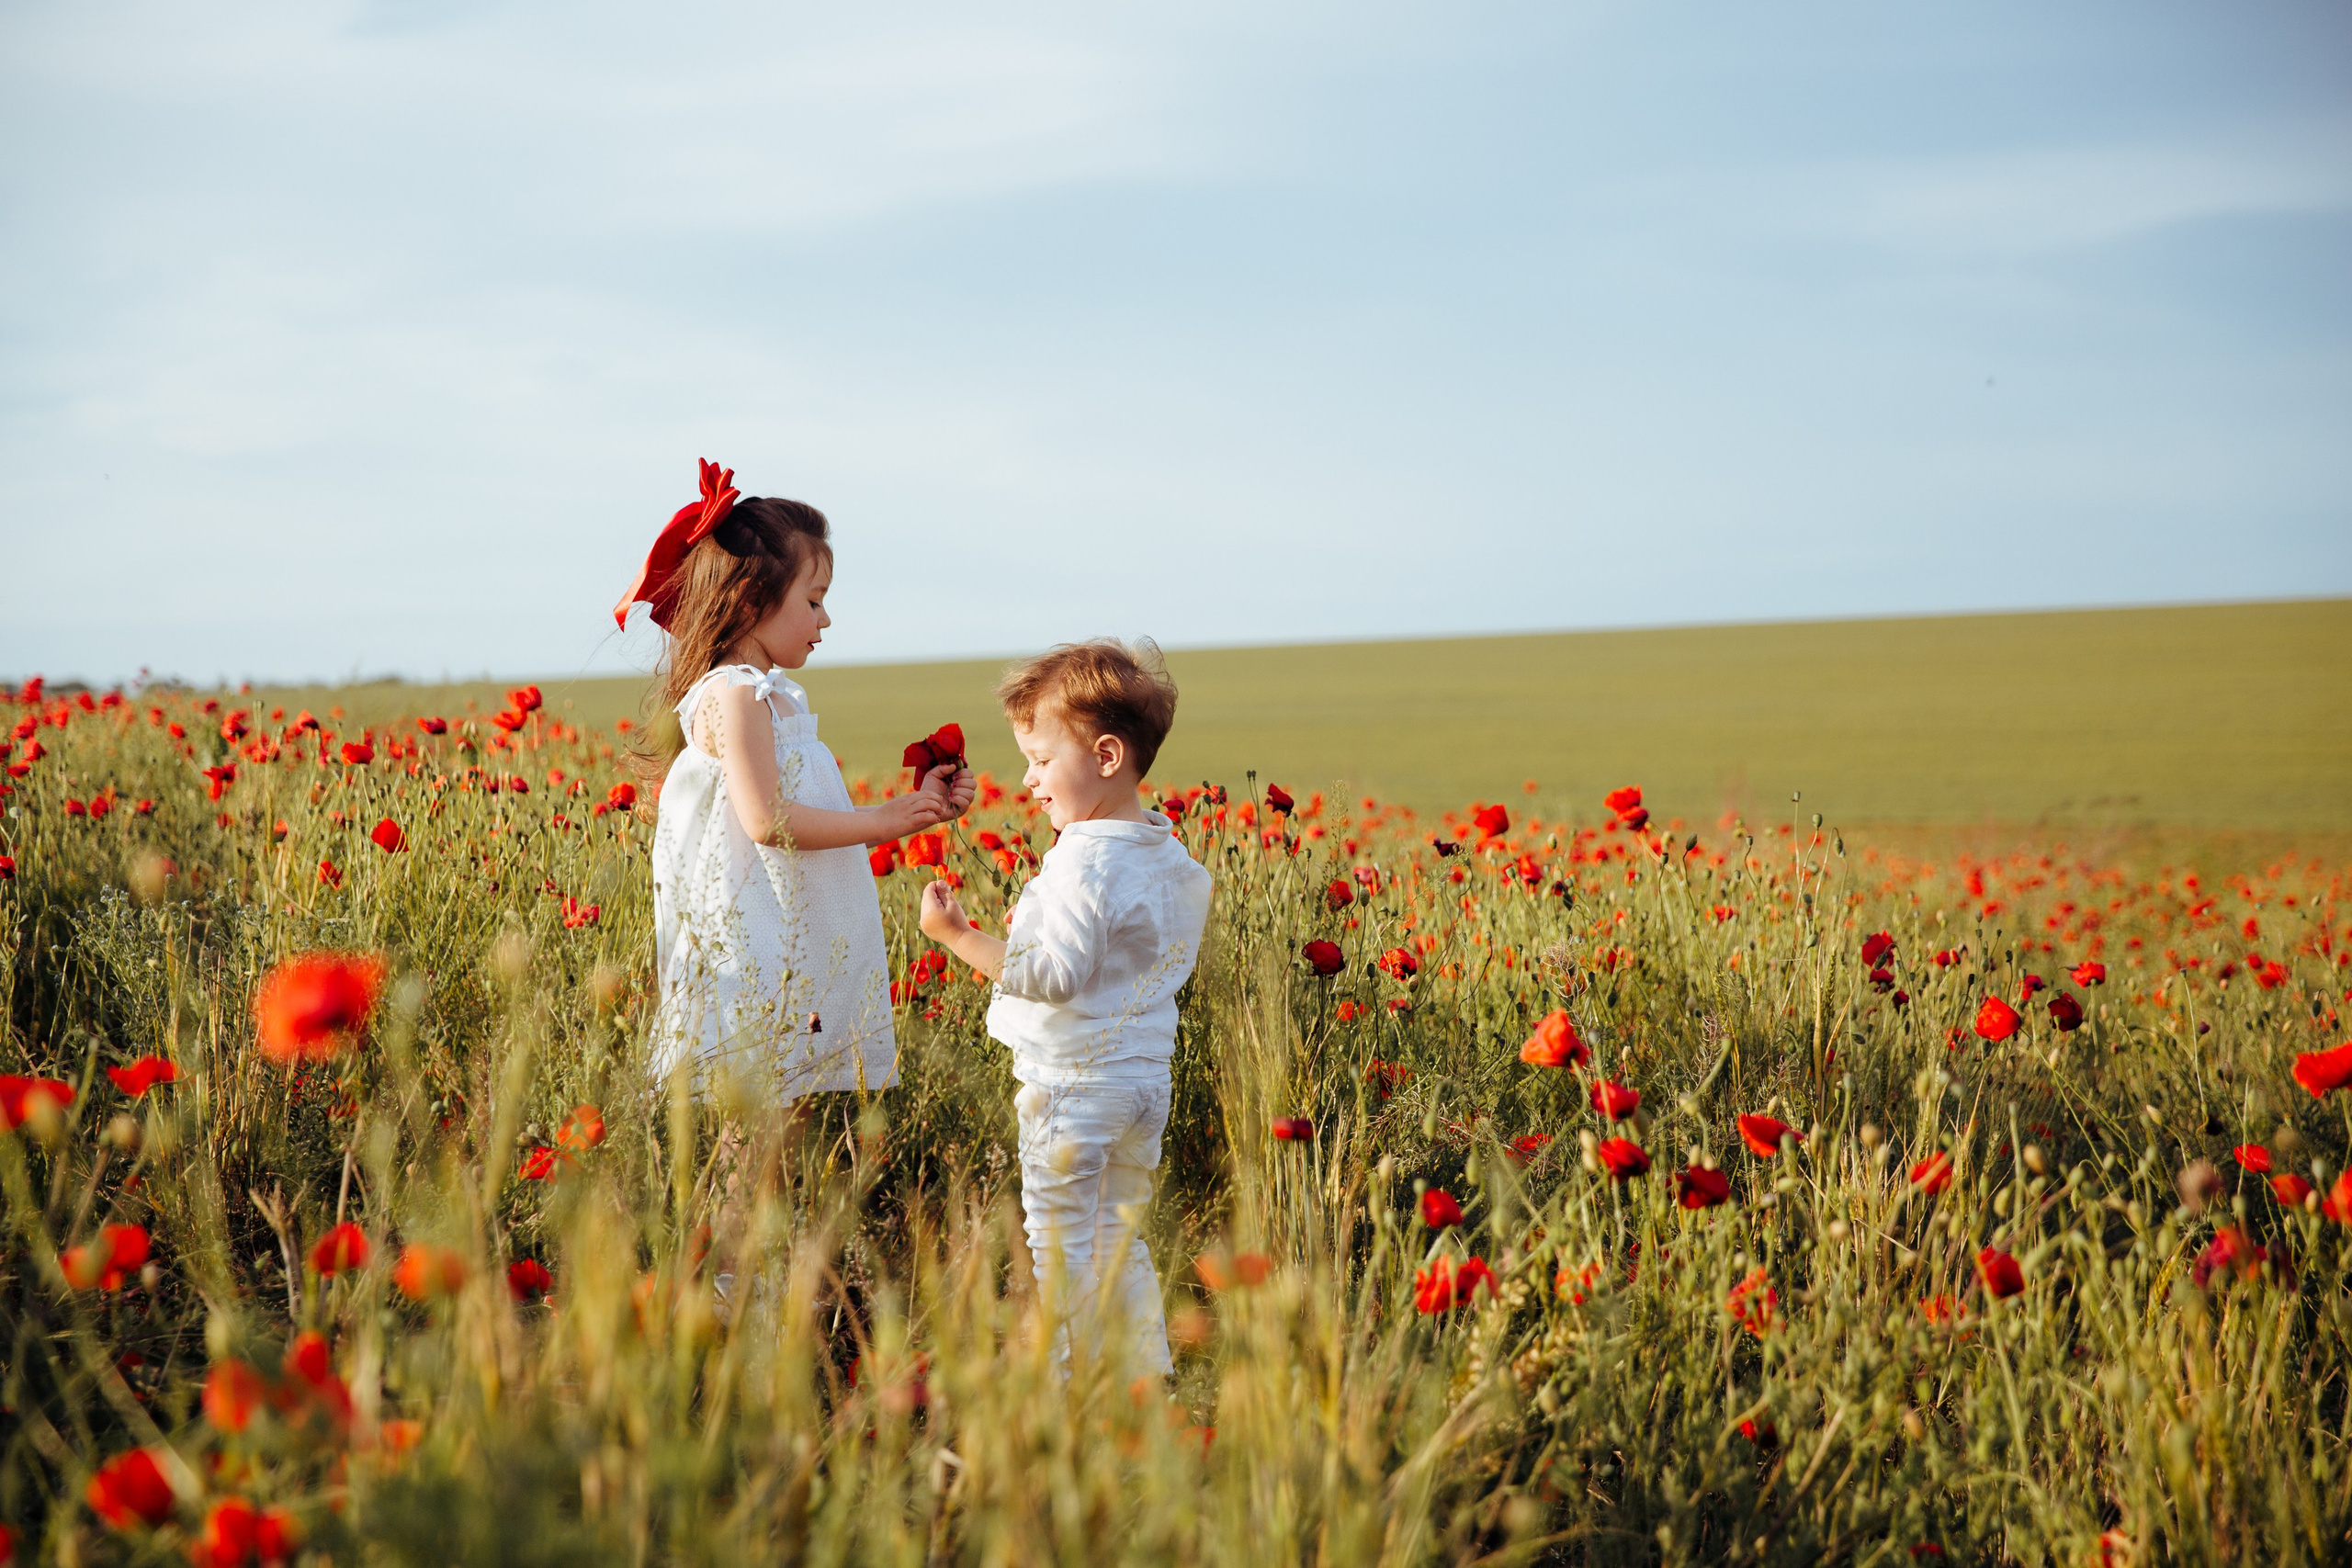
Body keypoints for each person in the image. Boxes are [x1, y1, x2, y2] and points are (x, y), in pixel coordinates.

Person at [618, 459, 973, 1099]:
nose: (825, 620)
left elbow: (798, 810)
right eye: (813, 602)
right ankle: (730, 1206)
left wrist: (912, 808)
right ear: (752, 601)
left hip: (792, 940)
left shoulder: (772, 696)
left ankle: (774, 1205)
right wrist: (887, 821)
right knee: (760, 1121)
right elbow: (766, 819)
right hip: (758, 951)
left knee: (789, 1111)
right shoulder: (734, 694)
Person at [917, 638, 1212, 1377]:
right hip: (1143, 1084)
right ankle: (1147, 1381)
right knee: (1119, 1241)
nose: (1030, 779)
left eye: (1043, 761)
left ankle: (1062, 1400)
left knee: (1058, 1248)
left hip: (1073, 1086)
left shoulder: (1086, 856)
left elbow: (1050, 976)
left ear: (1106, 756)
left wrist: (958, 935)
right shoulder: (1168, 853)